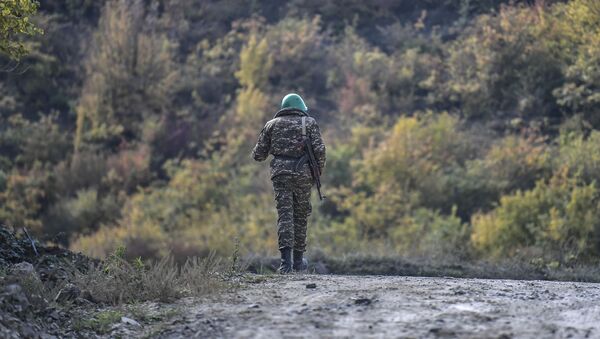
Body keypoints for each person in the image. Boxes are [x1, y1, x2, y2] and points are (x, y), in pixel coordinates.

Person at [252, 93, 326, 273]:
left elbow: (258, 155)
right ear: (301, 107)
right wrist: (317, 172)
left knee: (285, 216)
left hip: (280, 175)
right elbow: (320, 151)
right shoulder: (308, 123)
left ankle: (285, 264)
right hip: (303, 175)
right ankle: (299, 263)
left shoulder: (271, 125)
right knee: (300, 216)